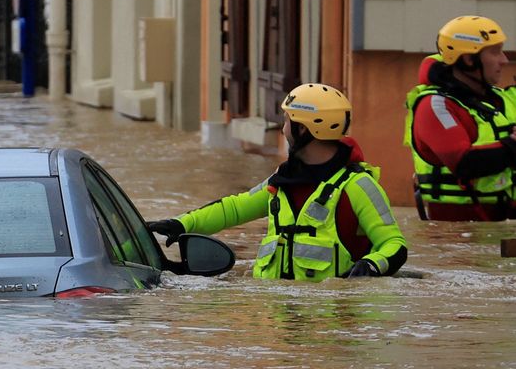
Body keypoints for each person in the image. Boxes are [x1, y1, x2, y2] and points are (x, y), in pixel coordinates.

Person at [149, 83, 407, 281]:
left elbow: (394, 245)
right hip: (280, 323)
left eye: (287, 121)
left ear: (304, 129)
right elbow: (234, 208)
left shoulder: (358, 186)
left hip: (332, 324)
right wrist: (181, 224)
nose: (283, 129)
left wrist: (372, 265)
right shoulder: (283, 180)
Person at [404, 15, 516, 221]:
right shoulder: (435, 106)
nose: (504, 60)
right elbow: (465, 164)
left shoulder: (506, 98)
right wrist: (512, 145)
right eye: (495, 52)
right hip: (459, 240)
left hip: (504, 229)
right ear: (468, 59)